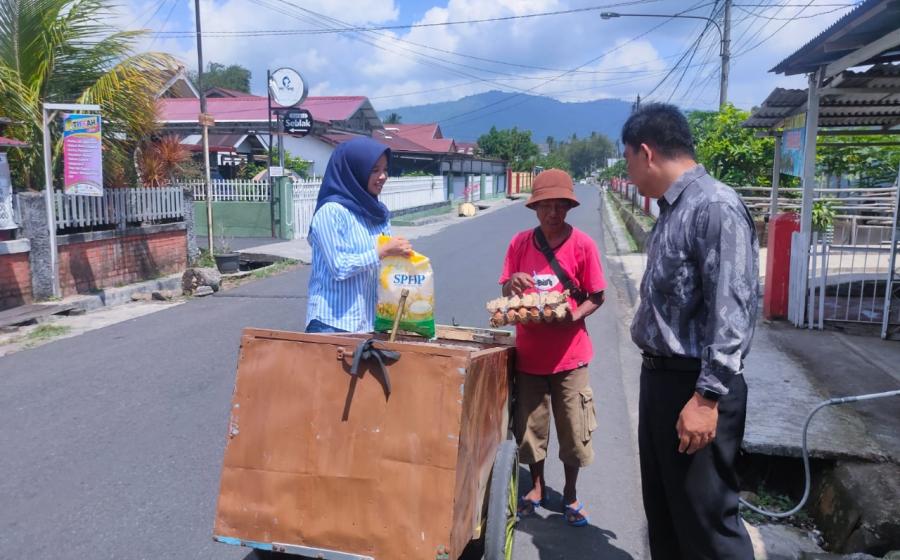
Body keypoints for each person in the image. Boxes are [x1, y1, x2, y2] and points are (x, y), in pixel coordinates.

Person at [623, 103, 759, 559]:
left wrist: (707, 398)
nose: (628, 172)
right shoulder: (671, 211)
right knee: (665, 517)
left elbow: (733, 307)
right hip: (661, 381)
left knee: (706, 528)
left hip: (696, 388)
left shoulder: (714, 206)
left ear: (646, 152)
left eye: (626, 160)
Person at [498, 169, 606, 527]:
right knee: (531, 428)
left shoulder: (583, 245)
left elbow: (597, 295)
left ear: (569, 208)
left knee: (574, 429)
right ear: (535, 208)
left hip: (571, 357)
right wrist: (512, 282)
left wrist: (573, 315)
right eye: (546, 206)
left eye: (560, 206)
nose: (553, 213)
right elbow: (504, 292)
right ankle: (538, 486)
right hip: (529, 355)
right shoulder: (519, 244)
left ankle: (571, 493)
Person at [305, 137, 411, 333]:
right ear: (354, 171)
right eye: (374, 170)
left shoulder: (378, 213)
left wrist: (399, 257)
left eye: (385, 169)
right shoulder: (331, 212)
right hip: (332, 324)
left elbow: (383, 264)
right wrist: (381, 252)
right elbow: (340, 267)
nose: (383, 176)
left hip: (368, 323)